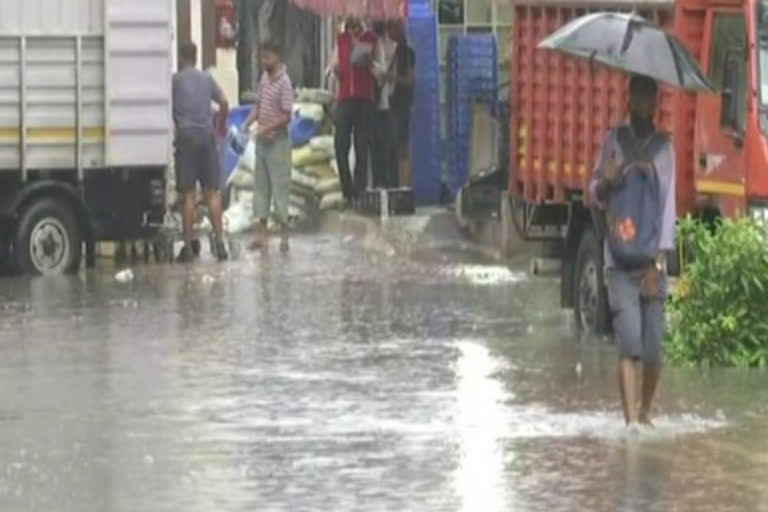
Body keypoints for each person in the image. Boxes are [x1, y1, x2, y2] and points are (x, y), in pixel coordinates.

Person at [589, 74, 676, 427]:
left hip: (651, 263)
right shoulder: (613, 142)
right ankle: (630, 427)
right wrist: (606, 180)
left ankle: (645, 412)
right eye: (638, 97)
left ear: (655, 103)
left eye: (649, 98)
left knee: (653, 349)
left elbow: (669, 209)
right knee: (629, 345)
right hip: (619, 261)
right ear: (629, 101)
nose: (644, 104)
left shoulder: (664, 150)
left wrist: (659, 263)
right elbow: (593, 195)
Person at [172, 41, 229, 262]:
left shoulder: (175, 81)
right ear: (196, 57)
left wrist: (178, 123)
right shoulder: (206, 79)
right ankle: (220, 242)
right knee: (212, 192)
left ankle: (187, 246)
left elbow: (170, 109)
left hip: (186, 138)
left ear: (180, 57)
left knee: (188, 195)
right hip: (206, 136)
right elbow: (223, 101)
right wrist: (220, 126)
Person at [243, 40, 294, 252]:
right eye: (262, 57)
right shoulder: (264, 79)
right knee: (261, 190)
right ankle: (261, 237)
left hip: (278, 144)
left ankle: (284, 237)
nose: (264, 61)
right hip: (262, 144)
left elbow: (287, 115)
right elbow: (259, 106)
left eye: (267, 57)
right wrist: (247, 123)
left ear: (277, 57)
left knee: (280, 190)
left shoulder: (285, 83)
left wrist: (267, 128)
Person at [331, 17, 378, 204]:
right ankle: (347, 189)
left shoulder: (371, 39)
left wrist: (369, 64)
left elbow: (381, 70)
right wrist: (336, 68)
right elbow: (334, 66)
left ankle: (359, 192)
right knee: (340, 145)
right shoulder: (341, 39)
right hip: (344, 98)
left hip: (365, 98)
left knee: (361, 146)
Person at [387, 20, 415, 188]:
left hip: (401, 104)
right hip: (390, 104)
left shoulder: (407, 53)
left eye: (392, 28)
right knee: (392, 147)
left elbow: (409, 80)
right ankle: (396, 185)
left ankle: (405, 187)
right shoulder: (391, 52)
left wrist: (392, 78)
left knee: (402, 147)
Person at [371, 21, 398, 188]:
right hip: (377, 103)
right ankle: (379, 183)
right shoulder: (376, 45)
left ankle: (388, 183)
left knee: (387, 146)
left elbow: (385, 74)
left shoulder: (393, 48)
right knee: (378, 146)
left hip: (387, 103)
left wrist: (372, 65)